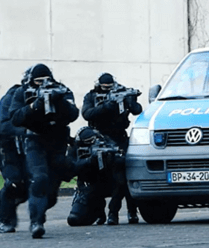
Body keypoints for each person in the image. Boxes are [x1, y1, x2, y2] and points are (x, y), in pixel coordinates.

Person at [9, 63, 79, 238]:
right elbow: (15, 118)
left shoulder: (62, 90)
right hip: (35, 141)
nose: (42, 85)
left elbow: (73, 114)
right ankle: (36, 222)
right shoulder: (22, 92)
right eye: (38, 81)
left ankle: (39, 209)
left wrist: (59, 101)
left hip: (57, 143)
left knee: (52, 192)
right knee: (39, 179)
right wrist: (35, 105)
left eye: (45, 81)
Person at [82, 73, 142, 225]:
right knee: (99, 177)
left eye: (110, 87)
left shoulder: (122, 92)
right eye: (104, 87)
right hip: (100, 138)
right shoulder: (92, 96)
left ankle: (128, 211)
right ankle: (101, 213)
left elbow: (137, 110)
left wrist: (130, 100)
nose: (107, 89)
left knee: (124, 175)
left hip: (119, 137)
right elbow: (87, 114)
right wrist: (107, 106)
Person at [0, 72, 29, 233]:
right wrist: (29, 130)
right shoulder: (11, 98)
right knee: (13, 181)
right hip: (6, 146)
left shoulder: (40, 98)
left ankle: (13, 203)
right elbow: (4, 127)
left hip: (27, 146)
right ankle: (4, 219)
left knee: (35, 181)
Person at [66, 127, 120, 226]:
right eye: (90, 142)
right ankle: (99, 212)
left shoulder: (107, 142)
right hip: (88, 187)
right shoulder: (75, 148)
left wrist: (110, 159)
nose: (94, 143)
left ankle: (113, 213)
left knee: (121, 179)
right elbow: (69, 170)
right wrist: (88, 161)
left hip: (109, 183)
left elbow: (121, 158)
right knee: (74, 219)